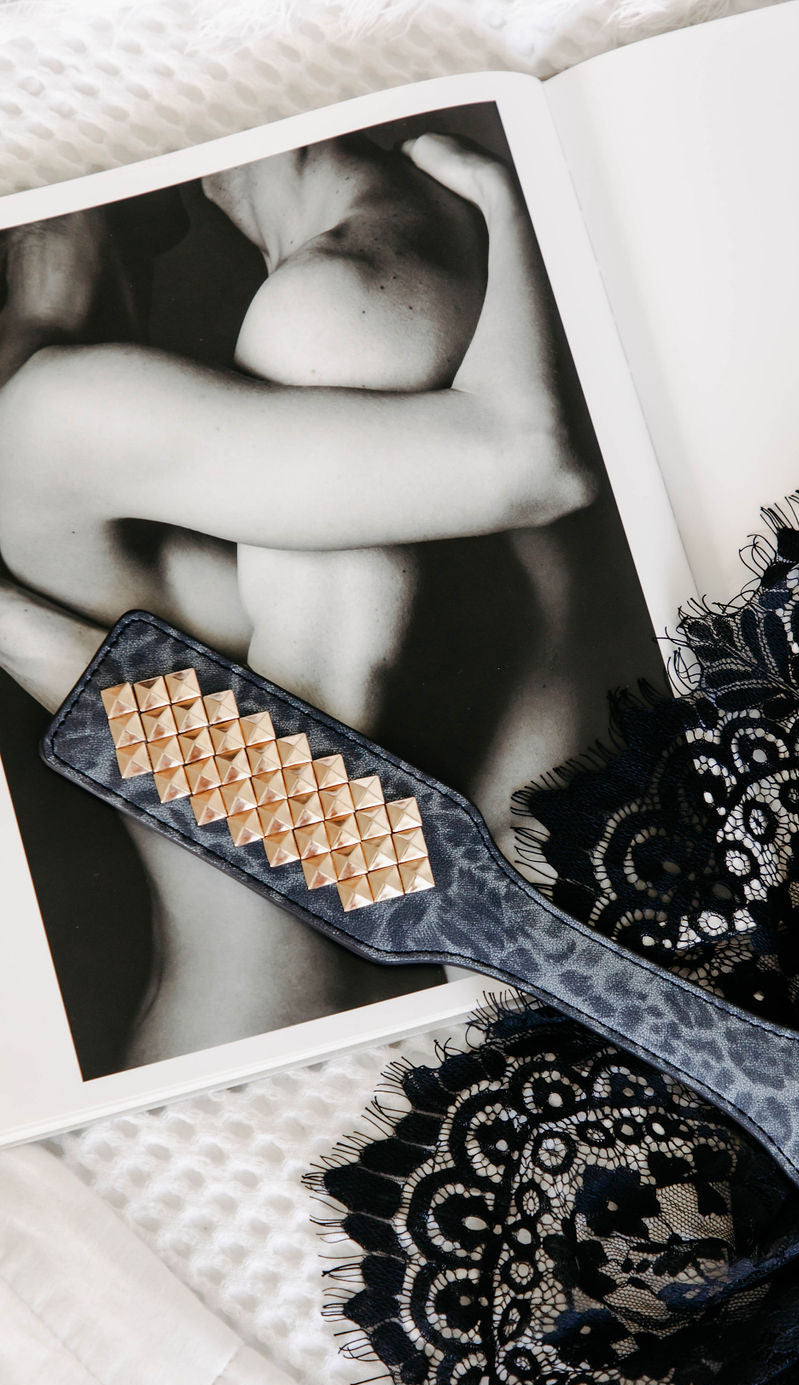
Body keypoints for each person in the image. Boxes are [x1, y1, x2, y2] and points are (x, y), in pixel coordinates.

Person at [0, 129, 655, 1067]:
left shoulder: (274, 349)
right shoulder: (61, 412)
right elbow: (320, 817)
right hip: (322, 1020)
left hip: (298, 1010)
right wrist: (508, 214)